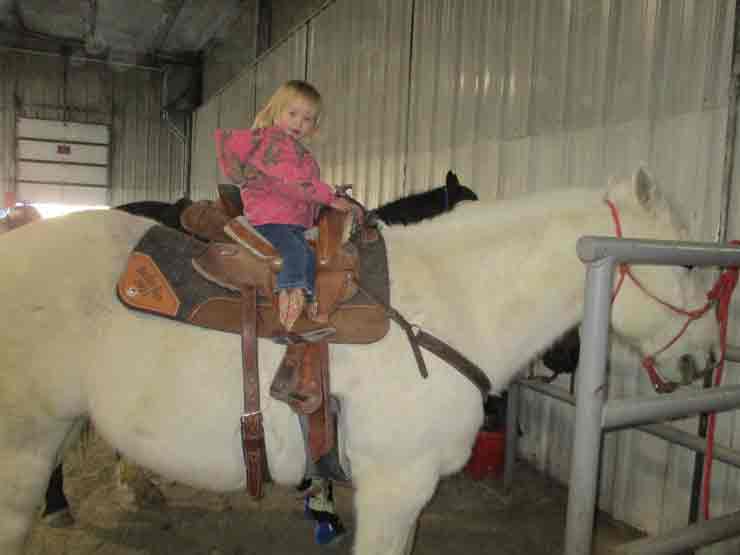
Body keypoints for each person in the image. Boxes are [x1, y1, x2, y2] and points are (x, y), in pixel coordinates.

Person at [215, 80, 353, 332]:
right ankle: (287, 302)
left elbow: (304, 191)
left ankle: (309, 298)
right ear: (276, 112)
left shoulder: (299, 153)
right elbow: (291, 182)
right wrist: (329, 197)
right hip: (270, 218)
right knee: (296, 252)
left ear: (314, 125)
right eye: (292, 114)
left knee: (309, 254)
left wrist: (324, 202)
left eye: (307, 119)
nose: (299, 123)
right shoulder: (272, 144)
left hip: (290, 220)